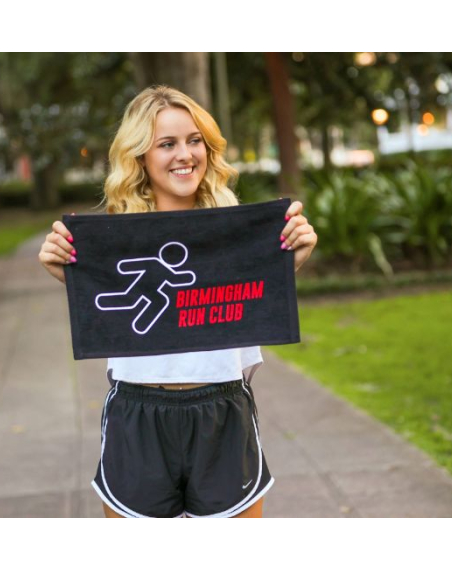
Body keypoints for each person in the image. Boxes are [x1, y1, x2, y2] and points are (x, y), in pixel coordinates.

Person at [38, 85, 317, 518]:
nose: (185, 154)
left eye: (194, 140)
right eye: (166, 144)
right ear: (140, 157)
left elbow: (243, 301)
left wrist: (286, 263)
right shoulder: (113, 238)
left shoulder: (238, 232)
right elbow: (108, 306)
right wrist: (69, 273)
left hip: (222, 406)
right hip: (138, 411)